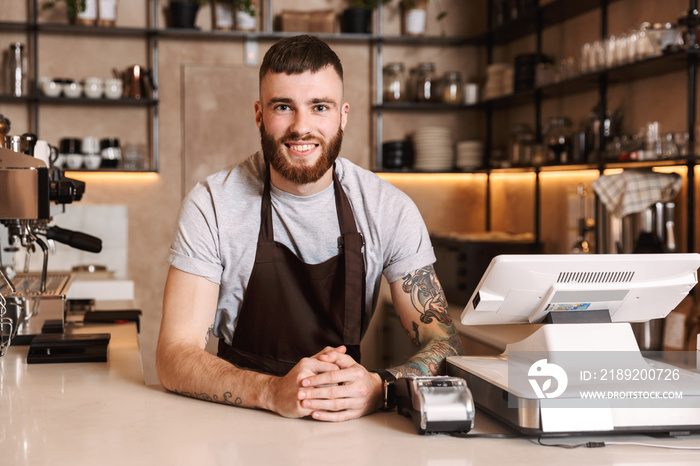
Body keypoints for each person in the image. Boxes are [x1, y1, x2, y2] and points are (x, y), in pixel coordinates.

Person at [156, 34, 464, 422]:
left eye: (320, 107)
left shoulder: (388, 208)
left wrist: (379, 387)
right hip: (236, 417)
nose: (301, 127)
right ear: (259, 115)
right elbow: (173, 356)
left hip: (342, 420)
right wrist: (270, 391)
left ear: (342, 116)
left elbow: (445, 343)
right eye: (283, 107)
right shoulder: (212, 204)